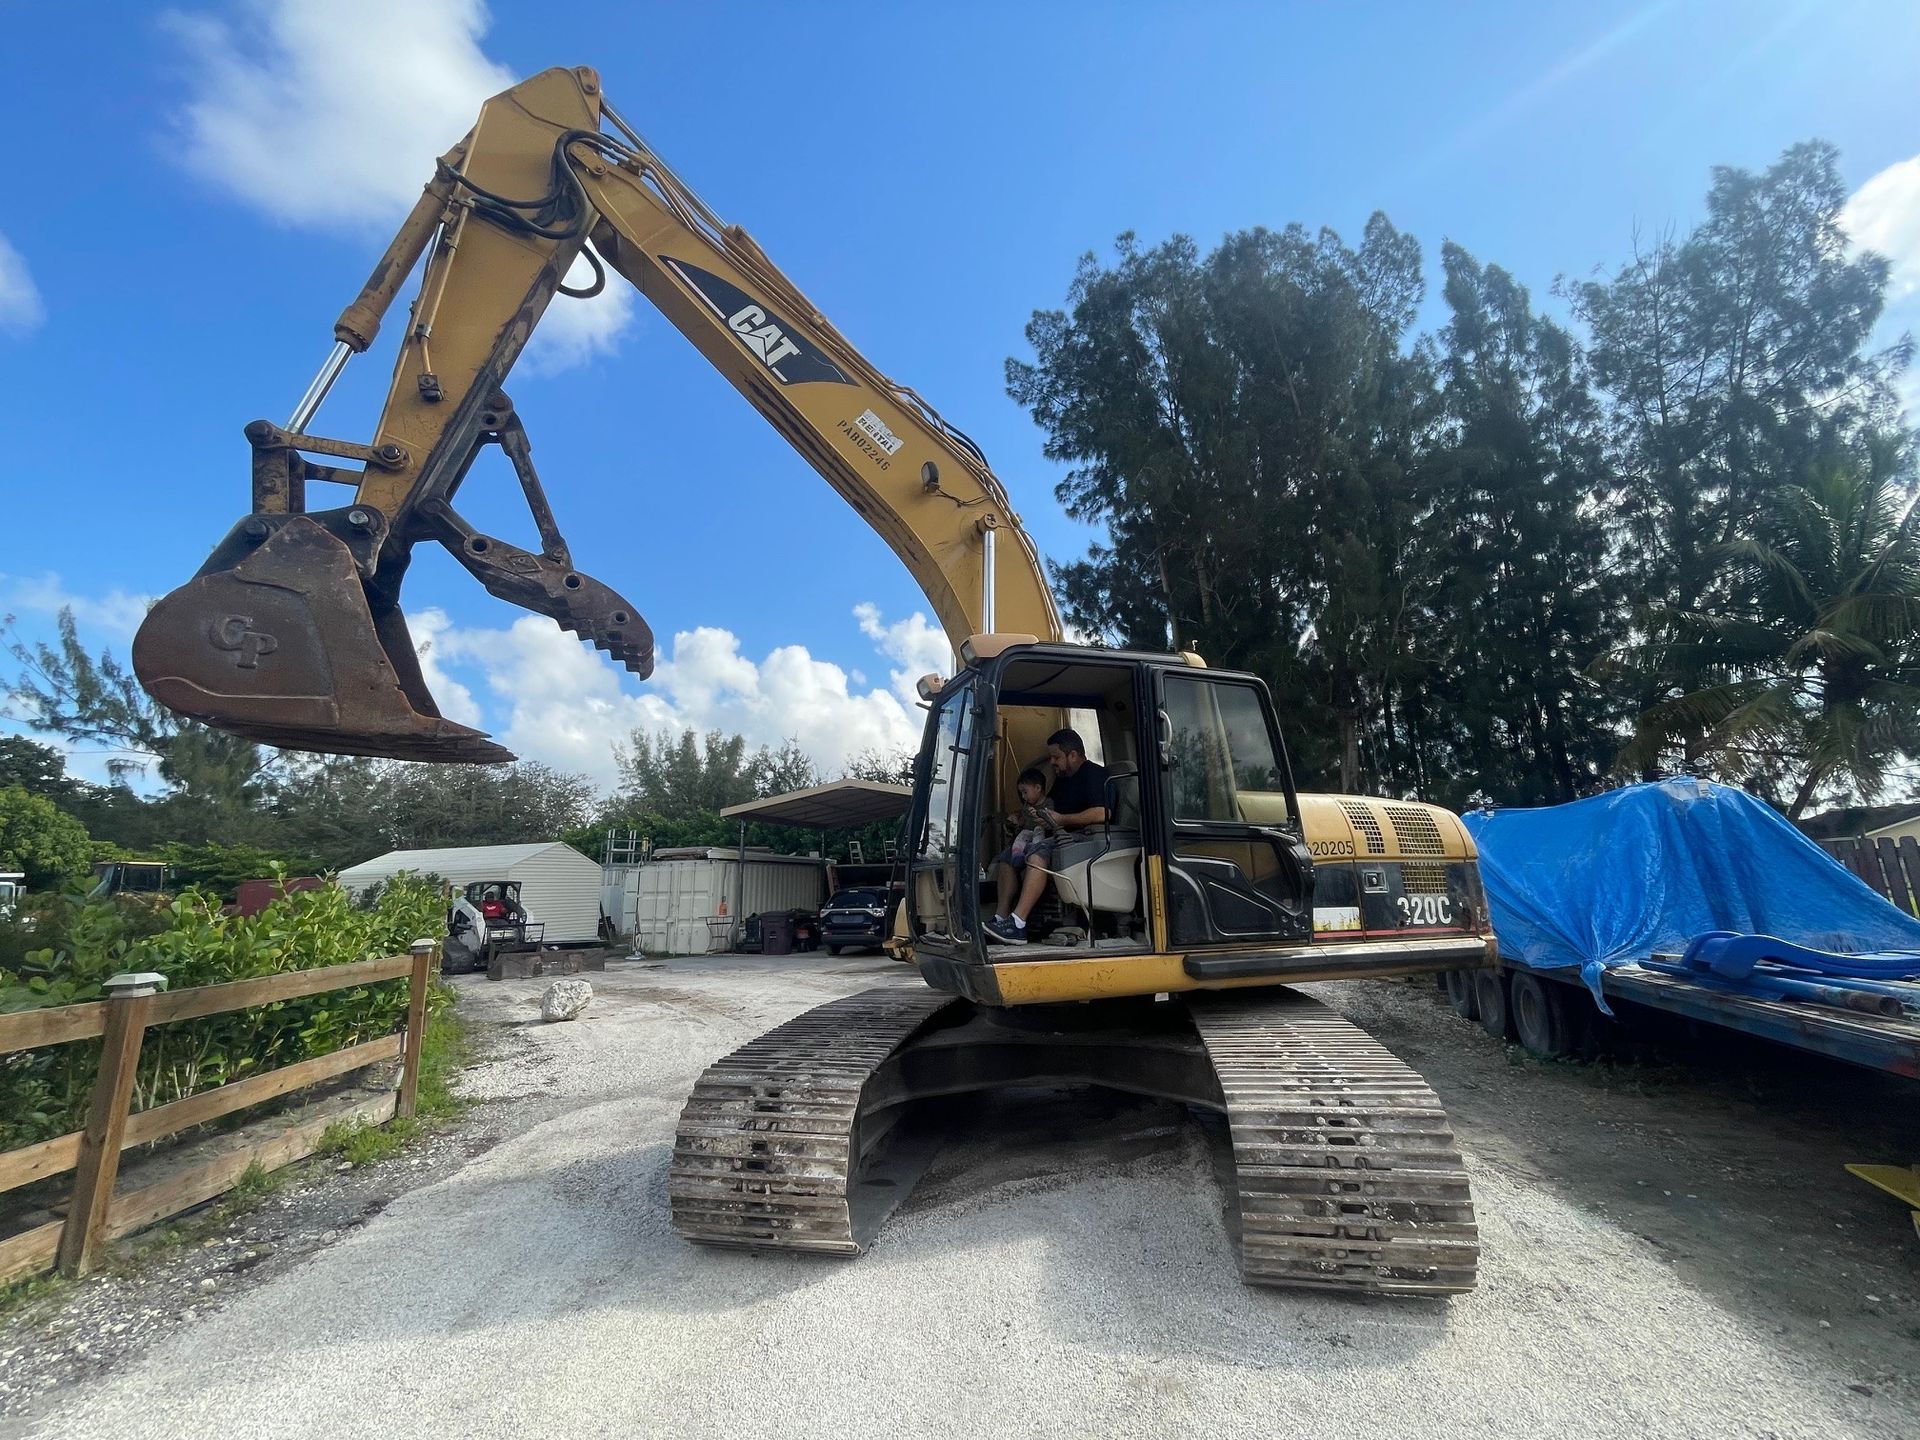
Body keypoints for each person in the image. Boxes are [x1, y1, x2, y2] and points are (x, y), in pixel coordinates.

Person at [985, 728, 1108, 944]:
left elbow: (1102, 813)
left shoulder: (1095, 774)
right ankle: (1000, 918)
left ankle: (1018, 924)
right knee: (1007, 857)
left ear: (1073, 755)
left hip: (1085, 837)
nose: (1052, 762)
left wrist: (1061, 820)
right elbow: (1049, 809)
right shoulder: (1062, 780)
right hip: (1058, 833)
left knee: (1037, 854)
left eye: (1056, 757)